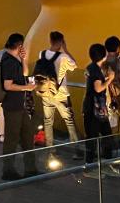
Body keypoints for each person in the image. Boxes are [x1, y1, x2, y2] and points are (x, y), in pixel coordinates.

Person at [0, 33, 38, 181]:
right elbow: (7, 85)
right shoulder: (8, 61)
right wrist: (26, 88)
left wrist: (23, 59)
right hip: (12, 105)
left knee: (28, 135)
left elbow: (25, 73)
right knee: (11, 139)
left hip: (20, 105)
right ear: (20, 45)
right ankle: (8, 171)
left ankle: (30, 169)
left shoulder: (14, 59)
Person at [37, 31, 82, 161]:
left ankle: (50, 151)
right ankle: (77, 151)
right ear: (61, 42)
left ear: (50, 41)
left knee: (48, 122)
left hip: (45, 93)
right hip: (61, 94)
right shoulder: (63, 57)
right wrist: (66, 49)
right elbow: (74, 65)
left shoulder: (42, 53)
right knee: (69, 121)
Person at [82, 43, 120, 179]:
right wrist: (110, 79)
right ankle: (89, 168)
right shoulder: (95, 70)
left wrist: (106, 78)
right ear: (103, 56)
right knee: (94, 138)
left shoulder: (91, 68)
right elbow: (98, 88)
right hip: (94, 109)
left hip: (97, 108)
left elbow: (96, 84)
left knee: (106, 136)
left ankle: (106, 164)